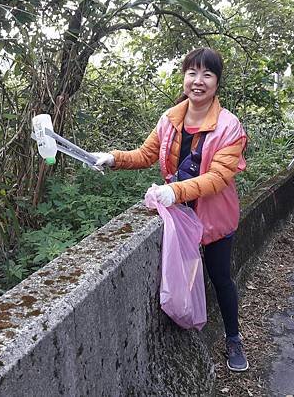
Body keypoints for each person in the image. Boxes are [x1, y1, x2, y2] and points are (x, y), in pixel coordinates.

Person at [91, 48, 249, 372]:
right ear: (184, 77)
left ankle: (233, 337)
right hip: (179, 218)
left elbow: (218, 178)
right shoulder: (171, 118)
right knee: (186, 276)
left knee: (220, 278)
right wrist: (114, 158)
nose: (198, 81)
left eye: (207, 74)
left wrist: (173, 190)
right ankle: (188, 330)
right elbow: (146, 154)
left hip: (214, 219)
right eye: (192, 72)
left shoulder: (230, 127)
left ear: (217, 82)